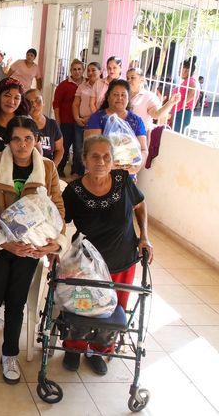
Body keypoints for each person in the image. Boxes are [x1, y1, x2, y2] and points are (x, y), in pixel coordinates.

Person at [0, 115, 67, 384]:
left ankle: (10, 354)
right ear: (7, 141)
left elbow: (57, 206)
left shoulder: (46, 168)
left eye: (28, 139)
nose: (22, 145)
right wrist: (6, 241)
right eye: (16, 139)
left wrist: (55, 241)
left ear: (36, 140)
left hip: (31, 249)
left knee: (16, 302)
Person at [60, 136, 153, 375]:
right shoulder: (74, 190)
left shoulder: (123, 181)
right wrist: (55, 248)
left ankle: (99, 350)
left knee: (113, 310)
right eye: (95, 156)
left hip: (122, 258)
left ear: (112, 160)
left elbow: (140, 205)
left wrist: (144, 236)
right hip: (86, 265)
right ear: (84, 160)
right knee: (81, 306)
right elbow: (60, 221)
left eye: (106, 157)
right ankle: (74, 348)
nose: (101, 161)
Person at [83, 79, 149, 175]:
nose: (119, 98)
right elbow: (91, 148)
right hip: (100, 172)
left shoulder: (136, 121)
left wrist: (136, 167)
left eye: (123, 95)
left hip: (127, 174)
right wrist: (109, 165)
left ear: (128, 98)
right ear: (108, 97)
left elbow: (143, 150)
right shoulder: (97, 118)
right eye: (115, 94)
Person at [72, 62, 108, 177]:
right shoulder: (82, 86)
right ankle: (77, 173)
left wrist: (92, 118)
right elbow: (75, 104)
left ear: (100, 71)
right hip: (81, 122)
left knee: (93, 149)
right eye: (89, 70)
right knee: (78, 149)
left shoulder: (104, 86)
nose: (90, 73)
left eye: (94, 70)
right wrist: (77, 118)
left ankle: (89, 175)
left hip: (96, 124)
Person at [53, 60, 85, 176]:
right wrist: (58, 121)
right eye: (74, 69)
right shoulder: (64, 85)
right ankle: (59, 170)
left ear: (83, 70)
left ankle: (77, 172)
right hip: (66, 122)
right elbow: (56, 104)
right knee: (64, 147)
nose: (77, 72)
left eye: (79, 69)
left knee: (79, 149)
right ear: (71, 71)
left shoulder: (86, 85)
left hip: (81, 123)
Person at [126, 67, 180, 132]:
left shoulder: (149, 96)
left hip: (139, 137)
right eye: (127, 78)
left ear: (142, 80)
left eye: (132, 77)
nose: (129, 80)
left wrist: (170, 103)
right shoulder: (124, 95)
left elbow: (157, 114)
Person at [26, 89, 64, 166]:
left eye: (37, 100)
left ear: (44, 102)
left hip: (46, 167)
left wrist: (53, 167)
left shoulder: (52, 124)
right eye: (30, 103)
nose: (34, 105)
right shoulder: (22, 125)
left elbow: (60, 149)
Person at [171, 56, 200, 133]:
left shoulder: (191, 80)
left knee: (176, 136)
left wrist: (184, 102)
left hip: (182, 113)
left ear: (187, 70)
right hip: (180, 113)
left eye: (180, 69)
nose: (178, 71)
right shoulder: (188, 80)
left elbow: (193, 90)